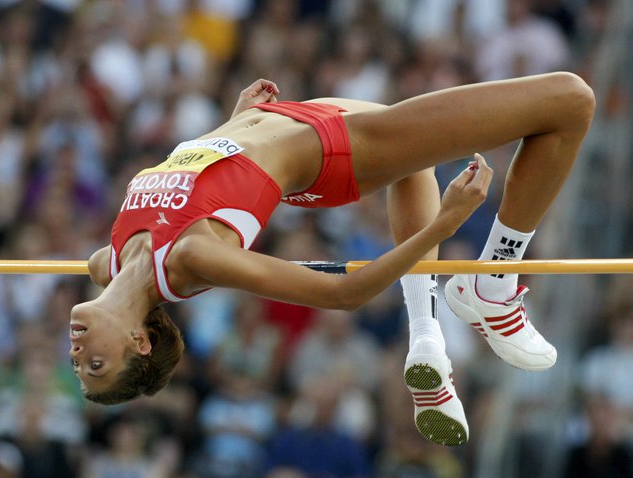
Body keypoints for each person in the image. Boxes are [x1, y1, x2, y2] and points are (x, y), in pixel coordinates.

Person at [70, 74, 595, 447]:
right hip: (336, 150)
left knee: (414, 167)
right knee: (570, 100)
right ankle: (494, 283)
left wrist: (233, 124)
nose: (77, 353)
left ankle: (427, 336)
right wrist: (445, 225)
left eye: (78, 366)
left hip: (293, 118)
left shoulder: (106, 262)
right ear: (140, 341)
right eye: (97, 364)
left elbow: (207, 181)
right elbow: (342, 295)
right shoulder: (189, 260)